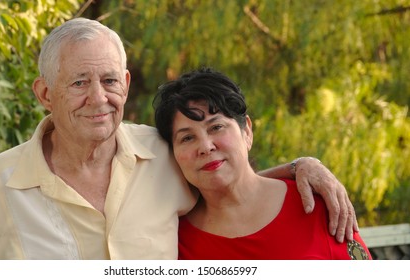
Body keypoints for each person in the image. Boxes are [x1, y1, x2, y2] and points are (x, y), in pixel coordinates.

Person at [0, 18, 355, 260]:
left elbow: (226, 181)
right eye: (79, 82)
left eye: (110, 80)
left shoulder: (165, 153)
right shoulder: (1, 184)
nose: (99, 98)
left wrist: (302, 166)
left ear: (126, 85)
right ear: (44, 94)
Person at [153, 67, 371, 260]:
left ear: (246, 131)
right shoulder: (173, 240)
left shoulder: (316, 205)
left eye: (216, 127)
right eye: (187, 138)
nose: (206, 146)